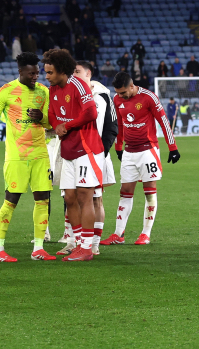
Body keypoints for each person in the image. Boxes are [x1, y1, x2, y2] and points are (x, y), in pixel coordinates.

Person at [0, 53, 53, 262]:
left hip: (40, 154)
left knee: (43, 200)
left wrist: (42, 117)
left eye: (37, 73)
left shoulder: (44, 92)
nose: (35, 76)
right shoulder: (5, 92)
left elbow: (50, 124)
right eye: (31, 73)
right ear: (20, 71)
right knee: (11, 201)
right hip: (17, 156)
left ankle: (38, 248)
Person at [103, 72, 179, 246]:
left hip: (147, 151)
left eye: (123, 92)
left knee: (149, 191)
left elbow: (164, 121)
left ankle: (145, 233)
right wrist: (118, 146)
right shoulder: (117, 100)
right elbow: (120, 124)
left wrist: (172, 147)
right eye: (118, 93)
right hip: (129, 152)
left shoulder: (149, 97)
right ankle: (118, 234)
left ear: (131, 86)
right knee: (125, 191)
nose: (120, 96)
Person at [45, 48, 103, 262]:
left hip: (86, 149)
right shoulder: (52, 89)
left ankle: (87, 249)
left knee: (84, 197)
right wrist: (56, 125)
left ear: (61, 71)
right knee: (69, 197)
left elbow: (91, 113)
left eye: (50, 72)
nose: (47, 76)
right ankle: (79, 243)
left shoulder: (78, 84)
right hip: (67, 149)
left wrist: (66, 125)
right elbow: (51, 112)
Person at [76, 60, 117, 254]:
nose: (74, 75)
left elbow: (112, 127)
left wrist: (102, 152)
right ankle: (77, 241)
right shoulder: (73, 96)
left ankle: (94, 244)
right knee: (76, 199)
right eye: (72, 72)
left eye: (78, 72)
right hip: (76, 156)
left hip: (98, 155)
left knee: (96, 200)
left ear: (88, 74)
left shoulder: (103, 96)